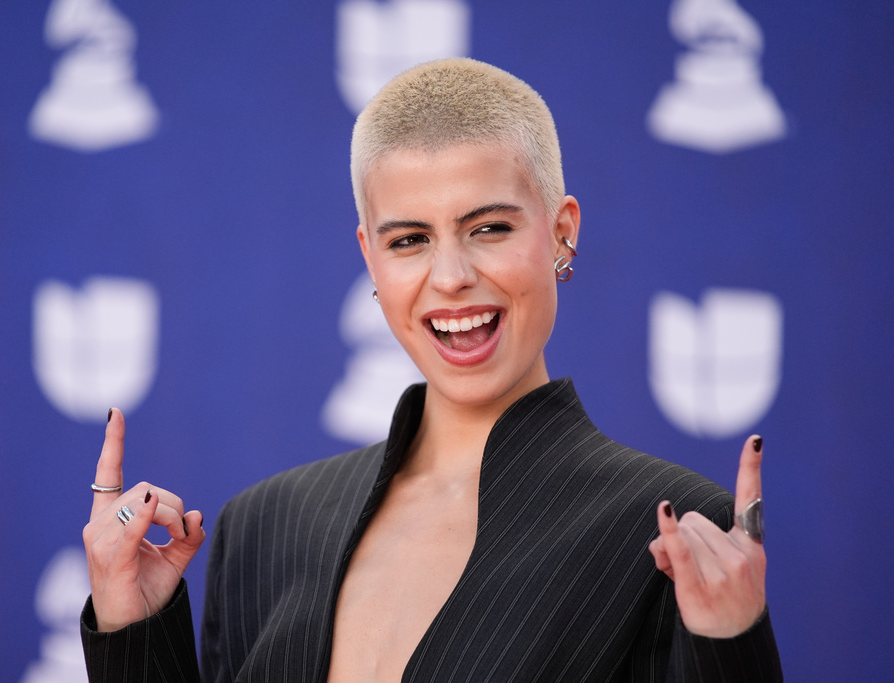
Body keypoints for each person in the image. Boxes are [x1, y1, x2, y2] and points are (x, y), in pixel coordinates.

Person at [81, 58, 782, 682]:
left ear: (562, 229)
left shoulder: (668, 533)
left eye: (489, 228)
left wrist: (731, 645)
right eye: (410, 240)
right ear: (371, 258)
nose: (450, 277)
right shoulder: (262, 526)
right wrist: (132, 633)